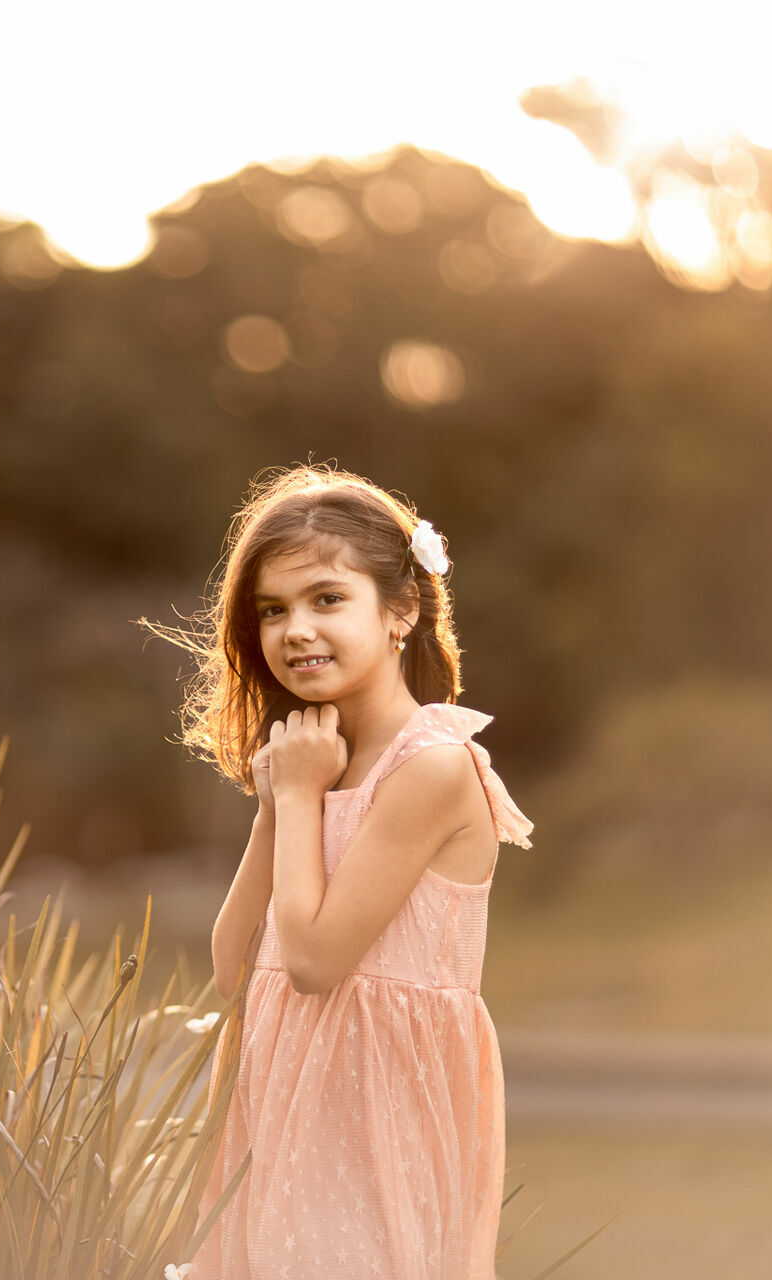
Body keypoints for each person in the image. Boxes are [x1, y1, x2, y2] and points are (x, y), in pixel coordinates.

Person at [151, 462, 535, 1279]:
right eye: (272, 610)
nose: (296, 629)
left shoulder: (431, 767)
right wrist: (279, 801)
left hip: (377, 1106)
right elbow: (232, 970)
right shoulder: (314, 765)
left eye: (327, 599)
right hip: (285, 1097)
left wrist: (297, 801)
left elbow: (318, 964)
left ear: (400, 610)